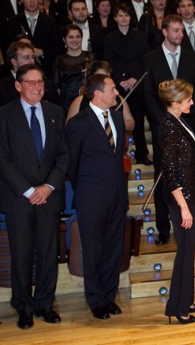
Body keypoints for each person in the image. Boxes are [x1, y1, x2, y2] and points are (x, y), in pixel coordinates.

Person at [0, 64, 68, 330]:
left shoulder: (55, 112)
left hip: (49, 197)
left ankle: (45, 304)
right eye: (31, 82)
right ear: (18, 85)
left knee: (49, 253)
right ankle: (24, 306)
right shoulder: (4, 115)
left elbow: (63, 155)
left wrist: (48, 186)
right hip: (18, 198)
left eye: (41, 82)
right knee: (22, 255)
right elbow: (2, 159)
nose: (37, 87)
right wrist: (28, 190)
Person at [66, 73, 128, 319]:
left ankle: (109, 296)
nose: (117, 93)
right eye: (112, 89)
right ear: (98, 94)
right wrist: (86, 189)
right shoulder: (78, 123)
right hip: (91, 197)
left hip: (117, 196)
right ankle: (96, 300)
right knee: (93, 250)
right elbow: (72, 163)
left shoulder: (117, 117)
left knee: (114, 248)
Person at [144, 14, 195, 246]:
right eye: (175, 30)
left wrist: (183, 120)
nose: (180, 34)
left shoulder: (192, 58)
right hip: (163, 126)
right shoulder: (151, 58)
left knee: (190, 176)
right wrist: (166, 121)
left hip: (188, 124)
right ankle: (163, 227)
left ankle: (190, 227)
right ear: (165, 31)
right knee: (164, 176)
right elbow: (148, 95)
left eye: (182, 30)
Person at [157, 79, 195, 324]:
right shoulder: (169, 127)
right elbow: (171, 173)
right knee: (184, 252)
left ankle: (187, 300)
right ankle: (178, 308)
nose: (192, 103)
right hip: (180, 199)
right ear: (174, 103)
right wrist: (184, 207)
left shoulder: (177, 121)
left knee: (188, 251)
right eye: (188, 100)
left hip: (187, 196)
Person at [103, 2, 152, 164]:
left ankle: (142, 154)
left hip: (136, 86)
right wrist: (119, 80)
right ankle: (118, 155)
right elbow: (108, 62)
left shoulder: (140, 37)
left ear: (131, 18)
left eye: (127, 15)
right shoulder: (109, 38)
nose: (124, 18)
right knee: (117, 121)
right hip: (117, 88)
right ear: (115, 18)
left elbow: (144, 60)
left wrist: (134, 78)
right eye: (120, 15)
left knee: (137, 121)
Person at [65, 60, 134, 131]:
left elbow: (131, 124)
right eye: (100, 78)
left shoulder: (118, 98)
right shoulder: (80, 101)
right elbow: (69, 126)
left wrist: (112, 122)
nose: (104, 81)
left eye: (107, 77)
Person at [53, 24, 92, 111]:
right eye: (71, 37)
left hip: (88, 100)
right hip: (67, 104)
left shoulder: (91, 57)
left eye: (77, 37)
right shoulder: (59, 59)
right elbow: (57, 85)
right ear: (64, 39)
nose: (75, 40)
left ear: (82, 38)